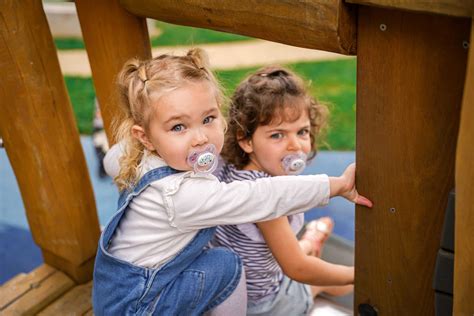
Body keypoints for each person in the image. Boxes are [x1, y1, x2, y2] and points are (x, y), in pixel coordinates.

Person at [93, 49, 372, 316]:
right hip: (142, 306)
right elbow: (264, 198)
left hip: (121, 294)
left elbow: (113, 159)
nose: (200, 138)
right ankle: (312, 249)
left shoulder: (157, 159)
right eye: (179, 127)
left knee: (291, 256)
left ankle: (310, 242)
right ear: (144, 137)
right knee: (235, 267)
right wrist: (335, 186)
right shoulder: (181, 194)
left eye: (208, 119)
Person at [211, 66, 359, 315]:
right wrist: (357, 275)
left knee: (298, 255)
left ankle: (309, 242)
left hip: (231, 291)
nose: (294, 146)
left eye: (302, 132)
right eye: (277, 135)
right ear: (245, 139)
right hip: (264, 305)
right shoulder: (265, 198)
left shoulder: (227, 169)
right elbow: (297, 269)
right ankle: (310, 244)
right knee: (337, 284)